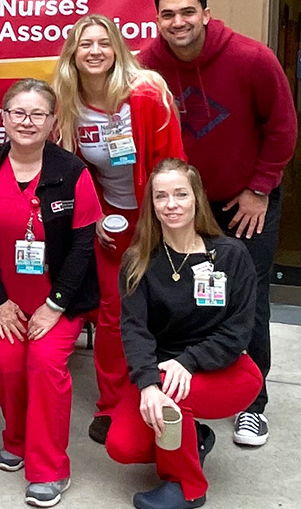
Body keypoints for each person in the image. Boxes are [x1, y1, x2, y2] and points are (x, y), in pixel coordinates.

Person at [138, 0, 297, 447]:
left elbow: (283, 128)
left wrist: (259, 189)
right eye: (167, 15)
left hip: (247, 201)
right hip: (183, 207)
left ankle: (252, 403)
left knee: (249, 297)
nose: (178, 22)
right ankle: (194, 386)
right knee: (186, 295)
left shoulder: (252, 58)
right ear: (158, 20)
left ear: (206, 14)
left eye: (187, 12)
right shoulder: (148, 66)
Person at [0, 79, 102, 508]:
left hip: (57, 302)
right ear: (4, 118)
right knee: (4, 365)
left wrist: (55, 305)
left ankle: (49, 469)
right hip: (5, 298)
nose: (26, 122)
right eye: (18, 113)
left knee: (44, 367)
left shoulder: (72, 172)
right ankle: (17, 437)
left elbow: (83, 246)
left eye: (37, 114)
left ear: (52, 122)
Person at [52, 14, 186, 445]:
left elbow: (172, 165)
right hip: (110, 221)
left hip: (158, 216)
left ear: (117, 49)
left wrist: (162, 222)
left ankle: (169, 393)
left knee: (164, 308)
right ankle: (111, 404)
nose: (95, 51)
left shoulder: (146, 94)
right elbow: (71, 173)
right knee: (113, 313)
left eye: (103, 42)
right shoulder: (67, 103)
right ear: (73, 52)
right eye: (85, 43)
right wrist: (91, 220)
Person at [107, 158, 263, 509]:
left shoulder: (230, 255)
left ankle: (186, 487)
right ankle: (193, 436)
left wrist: (188, 362)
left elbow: (238, 330)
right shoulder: (139, 260)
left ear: (197, 198)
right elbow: (134, 330)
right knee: (121, 446)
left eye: (181, 194)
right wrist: (147, 382)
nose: (171, 204)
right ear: (152, 204)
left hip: (227, 368)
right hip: (163, 372)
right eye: (161, 196)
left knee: (174, 395)